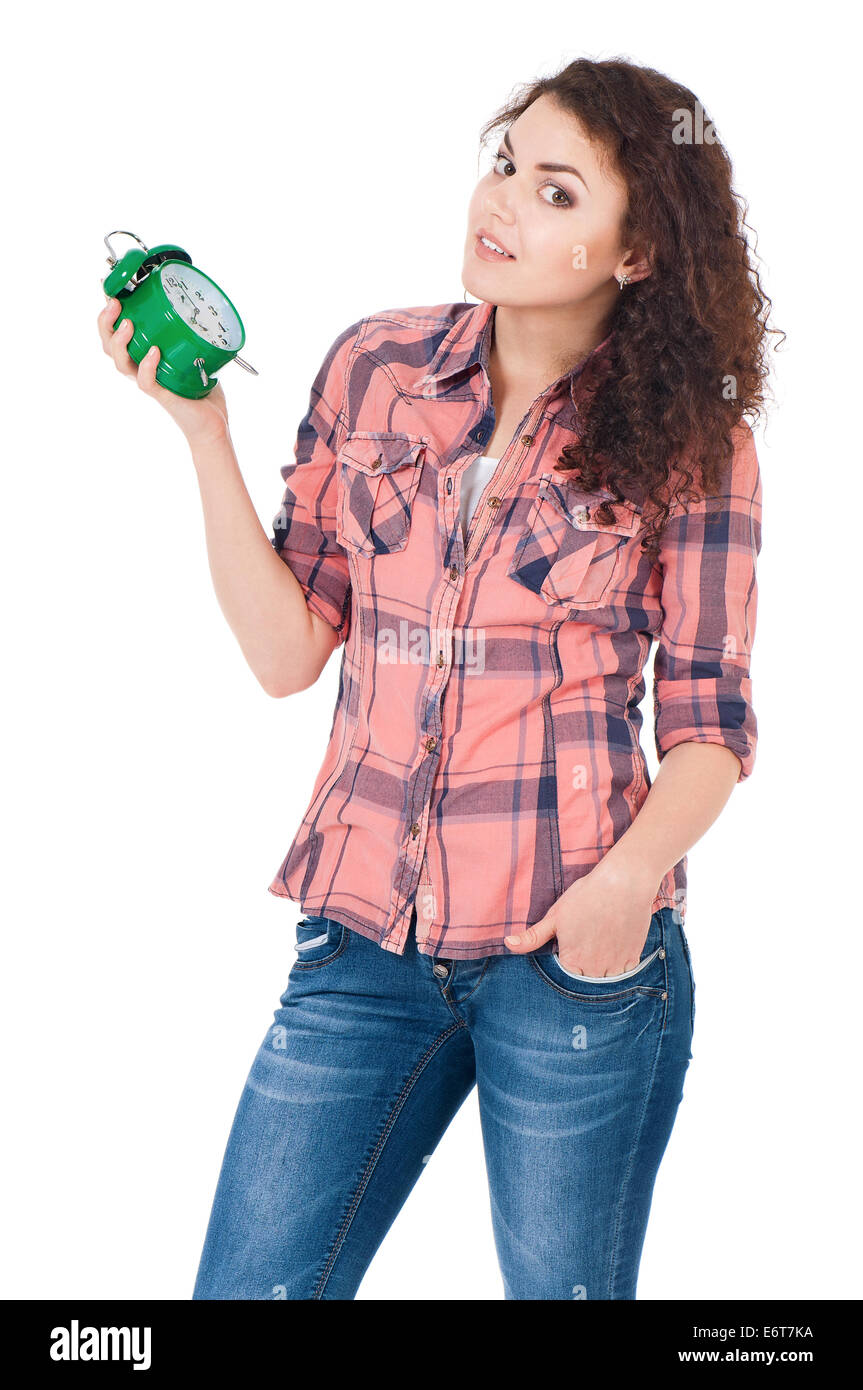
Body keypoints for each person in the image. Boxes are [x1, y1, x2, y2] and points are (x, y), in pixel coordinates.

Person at [97, 57, 774, 1300]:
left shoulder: (693, 440)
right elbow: (287, 651)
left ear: (634, 254)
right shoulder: (377, 368)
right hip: (360, 941)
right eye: (505, 162)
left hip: (569, 952)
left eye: (556, 192)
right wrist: (203, 436)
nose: (501, 201)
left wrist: (623, 887)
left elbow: (708, 723)